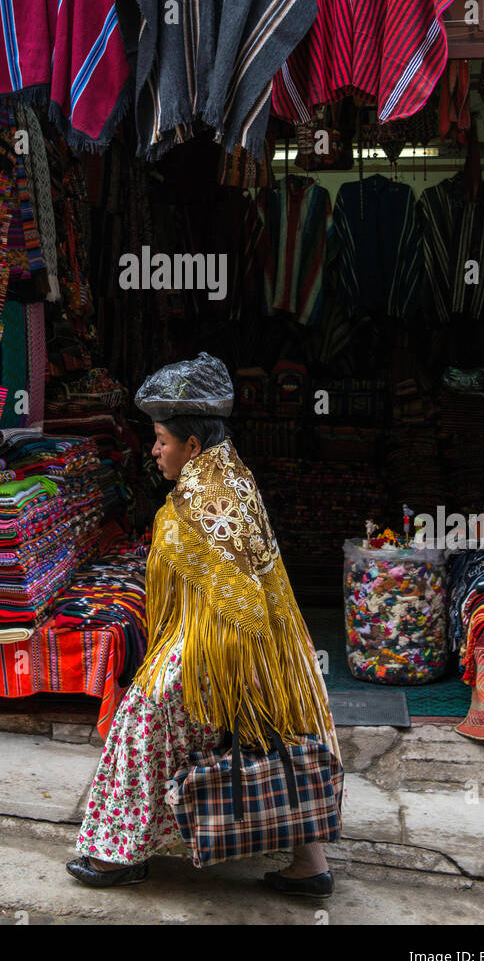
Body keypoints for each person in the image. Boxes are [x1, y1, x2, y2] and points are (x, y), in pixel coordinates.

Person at [66, 352, 343, 896]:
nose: (154, 449)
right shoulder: (231, 475)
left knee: (141, 720)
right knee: (282, 740)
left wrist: (222, 674)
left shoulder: (201, 498)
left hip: (226, 647)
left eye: (161, 439)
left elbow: (234, 599)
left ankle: (116, 854)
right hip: (267, 646)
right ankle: (310, 864)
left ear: (192, 446)